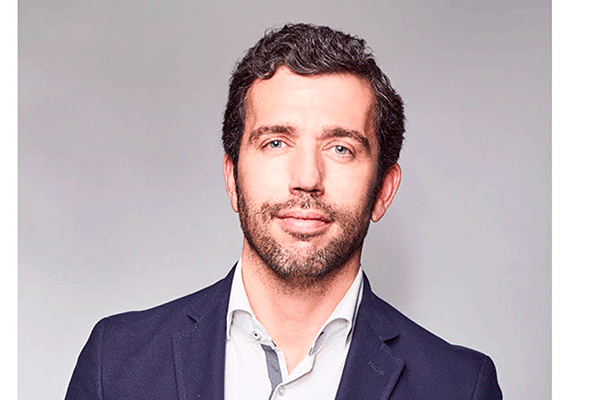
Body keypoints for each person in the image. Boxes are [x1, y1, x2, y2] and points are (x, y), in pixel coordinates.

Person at [66, 23, 502, 400]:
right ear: (232, 179)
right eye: (276, 142)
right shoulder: (116, 362)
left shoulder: (459, 387)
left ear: (384, 190)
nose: (307, 177)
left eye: (341, 148)